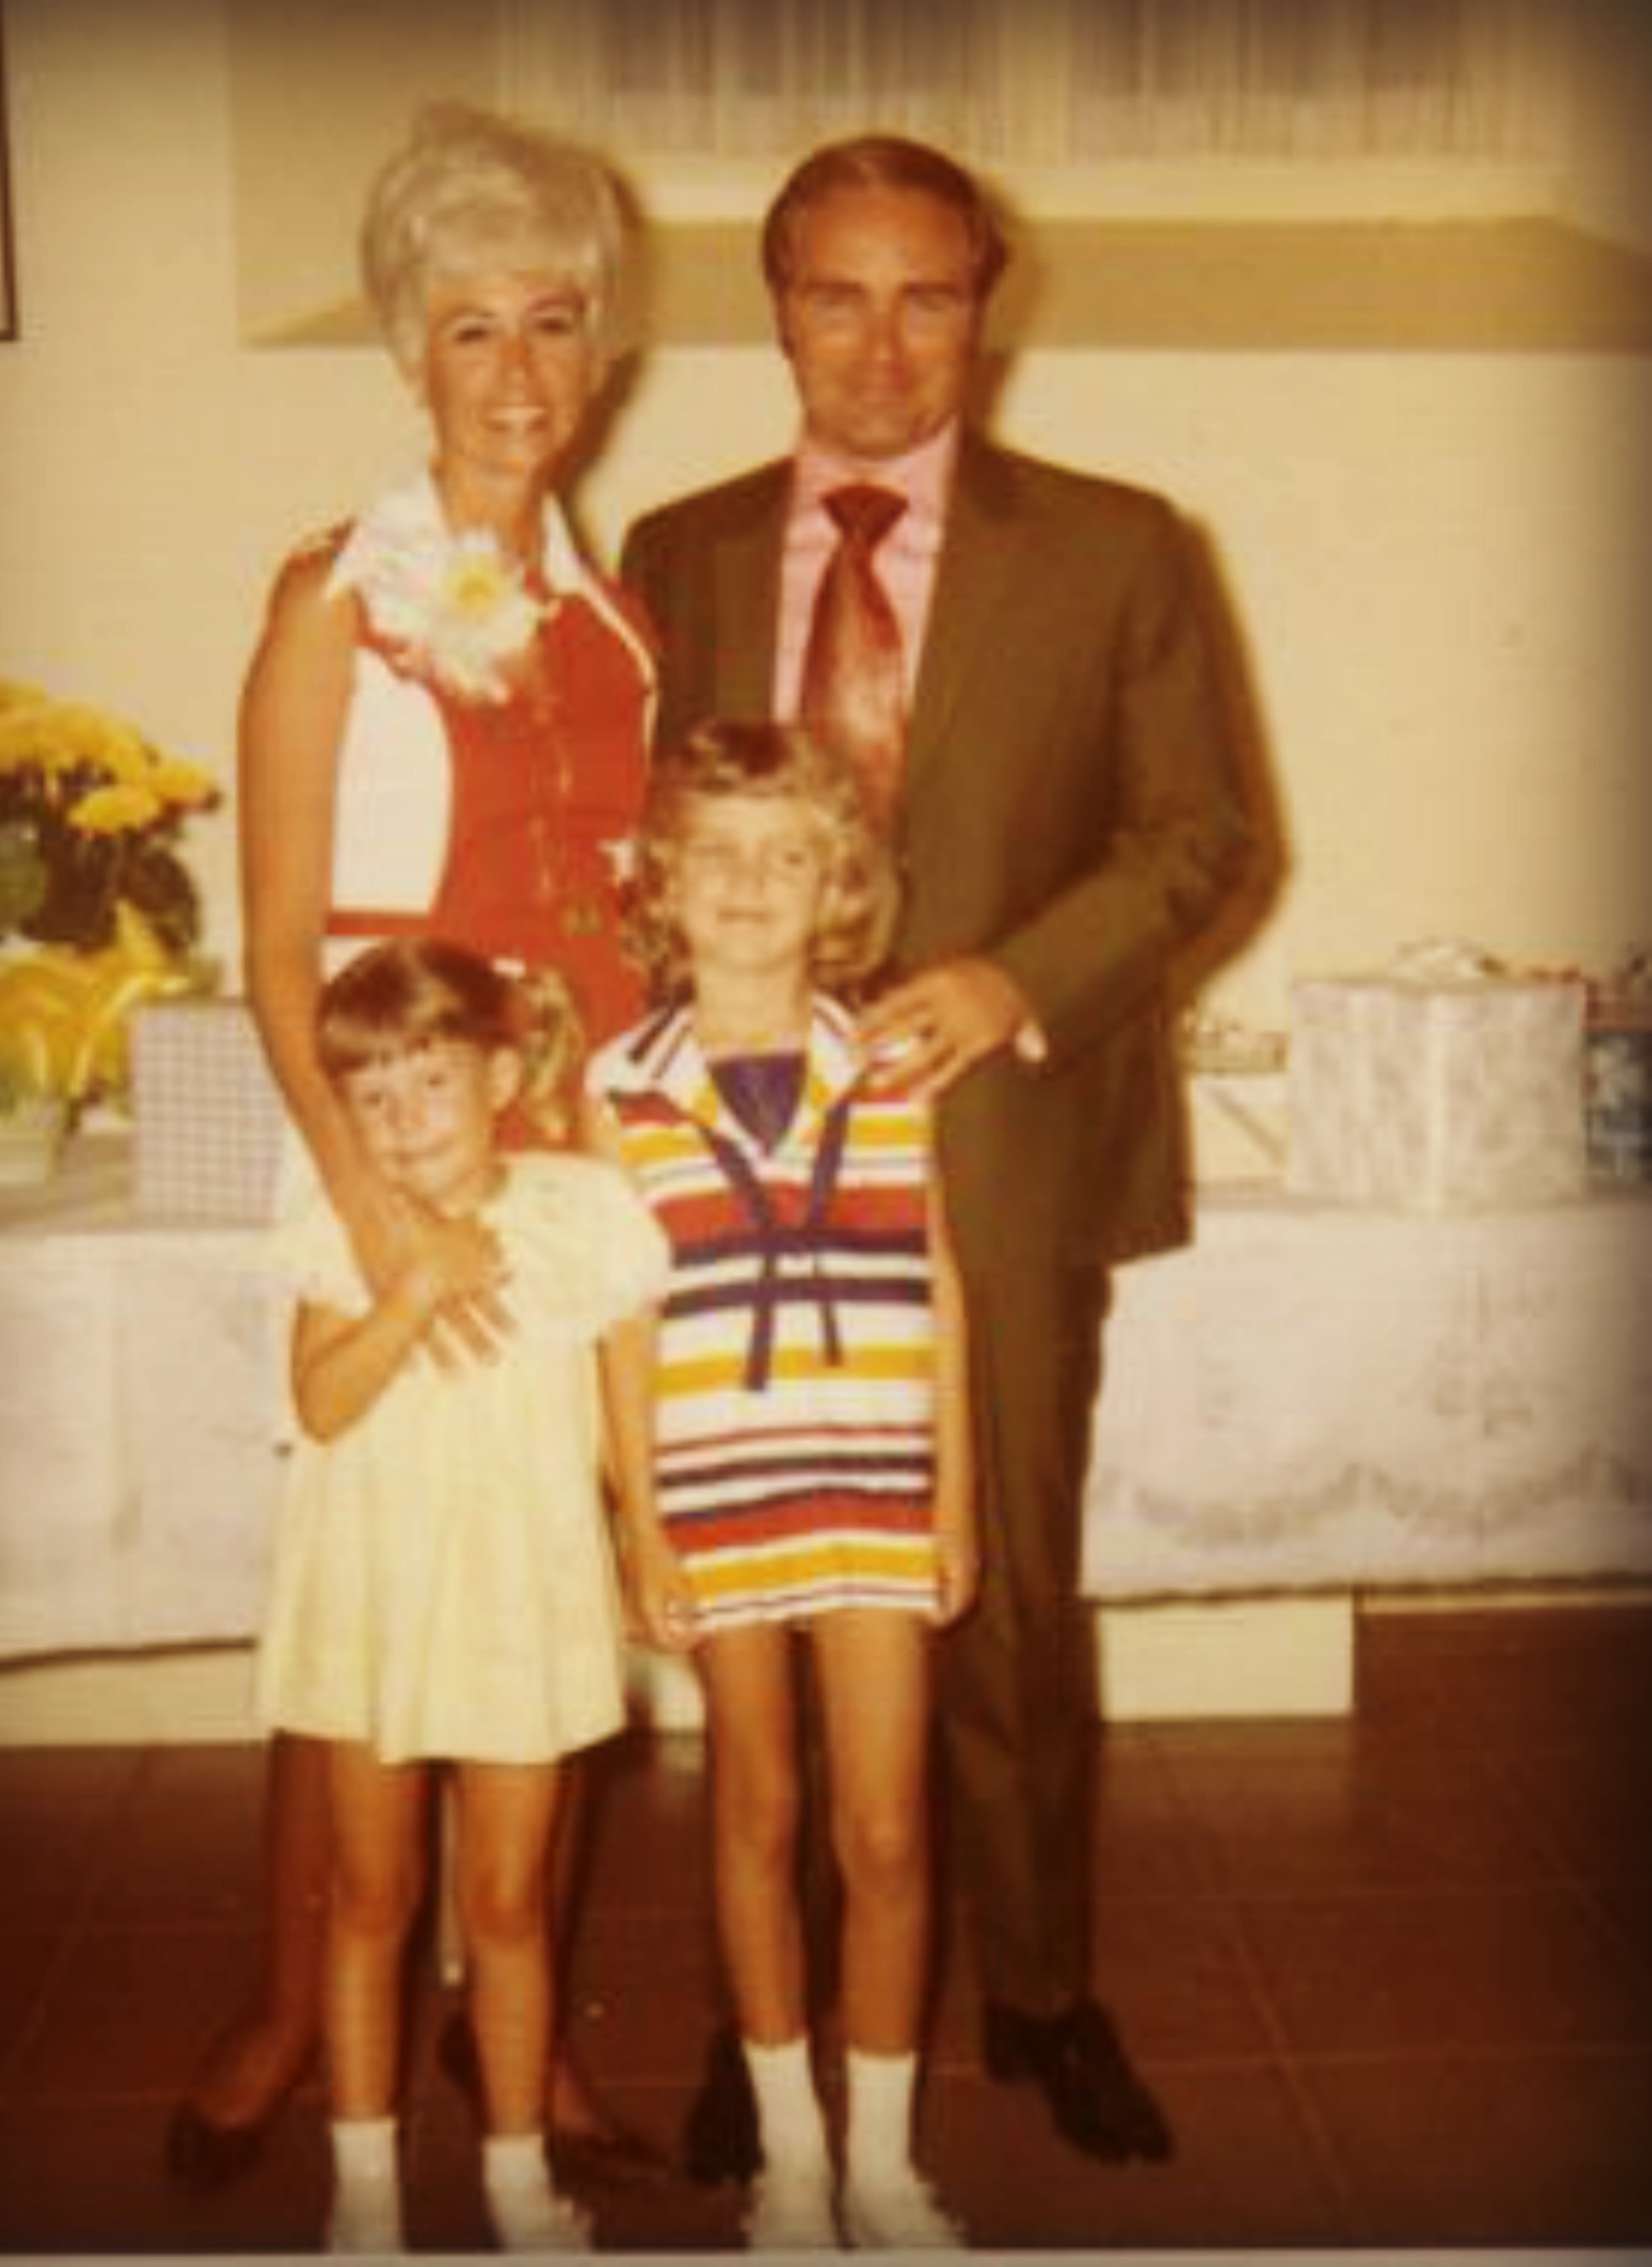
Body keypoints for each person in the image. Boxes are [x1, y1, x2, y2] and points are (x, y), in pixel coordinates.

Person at [620, 134, 1255, 2172]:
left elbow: (1200, 836)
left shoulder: (1122, 546)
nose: (885, 346)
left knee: (999, 1594)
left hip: (993, 1143)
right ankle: (765, 2026)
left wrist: (1010, 979)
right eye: (835, 295)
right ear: (775, 304)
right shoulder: (681, 545)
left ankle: (1042, 1990)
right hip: (724, 1169)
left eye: (930, 297)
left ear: (989, 302)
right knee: (752, 1607)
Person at [170, 103, 657, 2189]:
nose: (521, 374)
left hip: (556, 1163)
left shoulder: (610, 612)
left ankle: (505, 2049)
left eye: (557, 325)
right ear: (408, 348)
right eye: (475, 330)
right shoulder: (328, 599)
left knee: (527, 1573)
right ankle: (301, 2005)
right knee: (370, 1581)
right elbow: (277, 947)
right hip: (381, 1130)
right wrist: (368, 1202)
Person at [589, 721, 977, 2249]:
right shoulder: (618, 1085)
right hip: (722, 1489)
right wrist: (643, 1526)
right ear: (663, 882)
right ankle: (793, 2161)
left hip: (876, 1480)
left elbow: (939, 1280)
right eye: (720, 853)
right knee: (754, 1805)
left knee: (884, 1831)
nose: (751, 883)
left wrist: (957, 1504)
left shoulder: (889, 1059)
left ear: (840, 888)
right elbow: (621, 1328)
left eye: (789, 854)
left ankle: (884, 2163)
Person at [257, 939, 670, 2251]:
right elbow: (320, 1402)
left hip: (518, 1595)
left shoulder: (580, 1209)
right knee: (372, 1896)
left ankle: (514, 2180)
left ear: (501, 1072)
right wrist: (416, 1284)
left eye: (428, 1084)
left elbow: (624, 1410)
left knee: (506, 1903)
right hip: (372, 1595)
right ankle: (364, 2199)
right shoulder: (343, 1226)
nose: (400, 1121)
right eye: (369, 1095)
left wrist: (649, 1543)